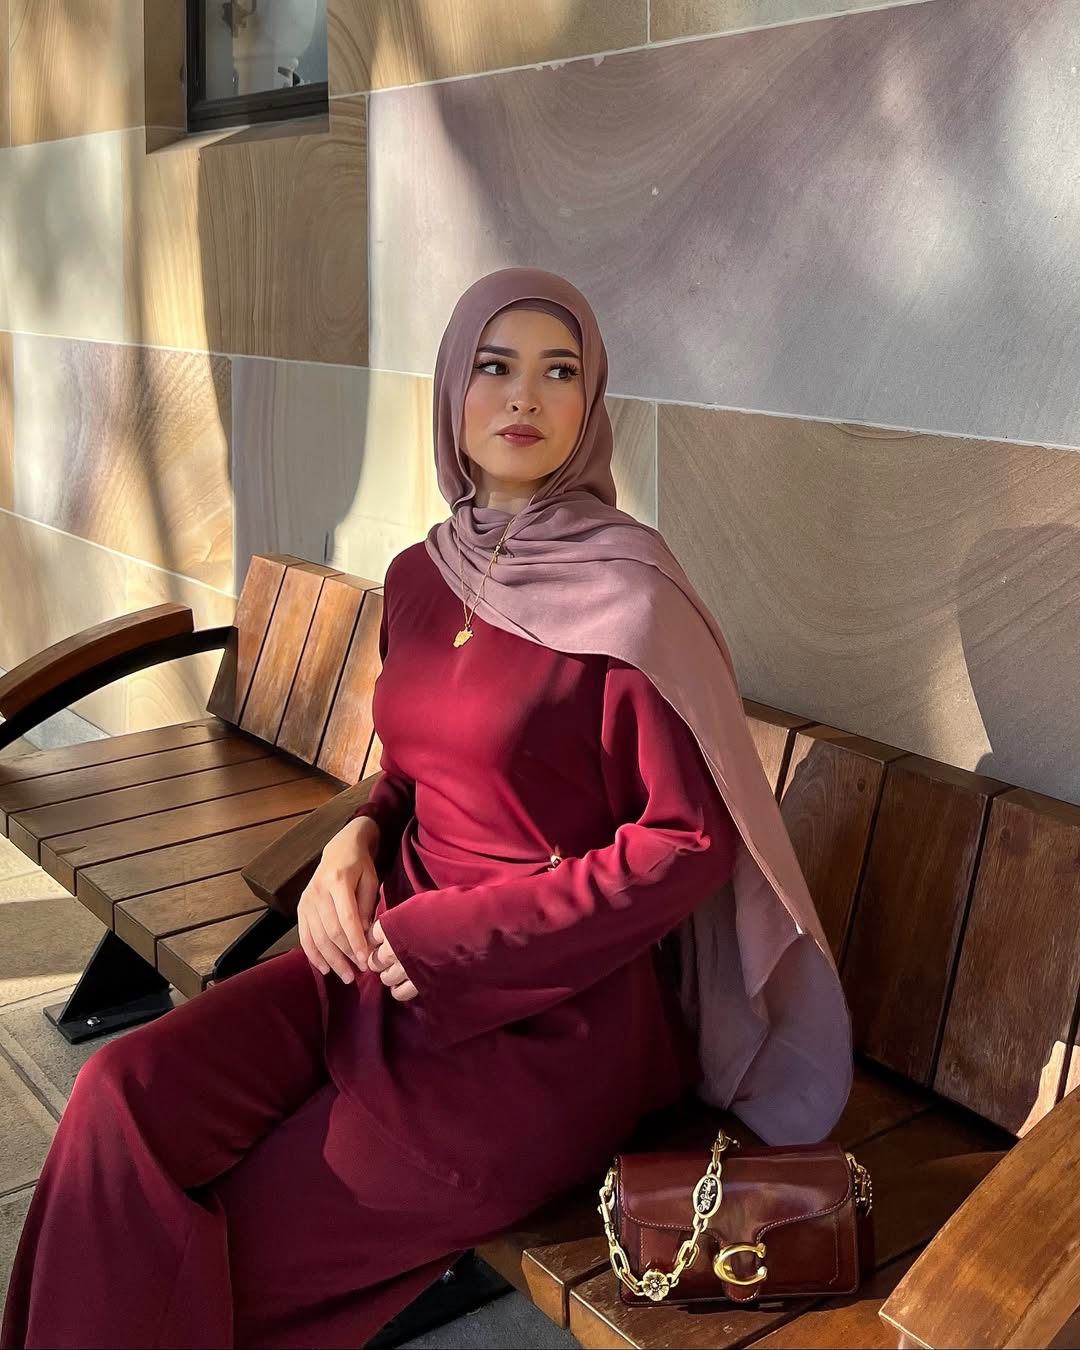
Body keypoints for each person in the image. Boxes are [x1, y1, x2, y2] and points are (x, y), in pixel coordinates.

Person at [1, 268, 852, 1350]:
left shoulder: (629, 597)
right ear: (453, 389)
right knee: (120, 1097)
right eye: (494, 367)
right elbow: (407, 772)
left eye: (560, 371)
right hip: (373, 959)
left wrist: (462, 936)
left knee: (221, 1260)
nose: (524, 398)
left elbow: (686, 843)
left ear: (591, 404)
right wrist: (353, 841)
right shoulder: (420, 575)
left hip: (541, 1029)